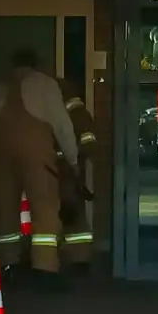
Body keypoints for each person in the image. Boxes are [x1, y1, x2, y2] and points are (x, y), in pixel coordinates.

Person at [0, 49, 79, 290]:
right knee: (45, 208)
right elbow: (62, 124)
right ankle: (45, 269)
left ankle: (8, 266)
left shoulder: (1, 88)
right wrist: (72, 159)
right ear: (36, 64)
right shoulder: (45, 84)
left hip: (0, 154)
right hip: (36, 154)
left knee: (5, 210)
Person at [54, 77, 96, 278]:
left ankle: (75, 259)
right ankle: (78, 259)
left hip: (65, 169)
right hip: (66, 167)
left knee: (70, 213)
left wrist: (74, 160)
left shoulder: (70, 108)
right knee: (71, 214)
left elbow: (87, 140)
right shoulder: (73, 108)